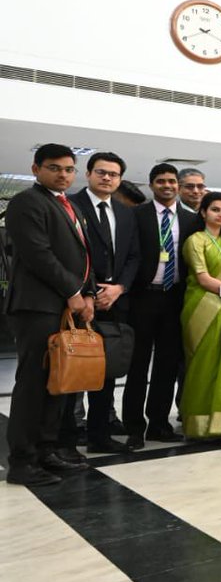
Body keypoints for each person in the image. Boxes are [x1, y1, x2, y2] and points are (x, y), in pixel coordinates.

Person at [5, 144, 96, 486]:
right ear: (35, 168)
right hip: (37, 306)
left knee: (58, 384)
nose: (63, 174)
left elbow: (84, 256)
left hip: (65, 305)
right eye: (54, 168)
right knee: (33, 385)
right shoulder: (26, 202)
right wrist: (74, 292)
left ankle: (47, 451)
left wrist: (87, 293)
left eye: (69, 169)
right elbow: (37, 254)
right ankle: (22, 461)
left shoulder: (68, 205)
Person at [125, 163, 202, 449]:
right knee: (138, 365)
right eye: (161, 181)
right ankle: (134, 426)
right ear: (151, 185)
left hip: (175, 299)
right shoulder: (136, 216)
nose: (167, 186)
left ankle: (158, 423)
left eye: (172, 181)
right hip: (143, 297)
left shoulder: (192, 220)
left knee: (167, 366)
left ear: (179, 186)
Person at [68, 151, 139, 453]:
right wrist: (88, 291)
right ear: (88, 174)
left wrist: (119, 288)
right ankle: (65, 439)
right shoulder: (71, 206)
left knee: (106, 371)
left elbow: (134, 256)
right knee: (72, 371)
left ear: (120, 179)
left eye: (113, 174)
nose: (107, 177)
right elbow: (69, 254)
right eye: (101, 172)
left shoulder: (124, 212)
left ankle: (99, 434)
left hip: (114, 304)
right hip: (79, 302)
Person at [179, 192, 221, 439]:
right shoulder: (195, 240)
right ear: (203, 212)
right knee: (202, 364)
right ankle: (198, 425)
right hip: (201, 307)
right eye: (215, 209)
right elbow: (203, 278)